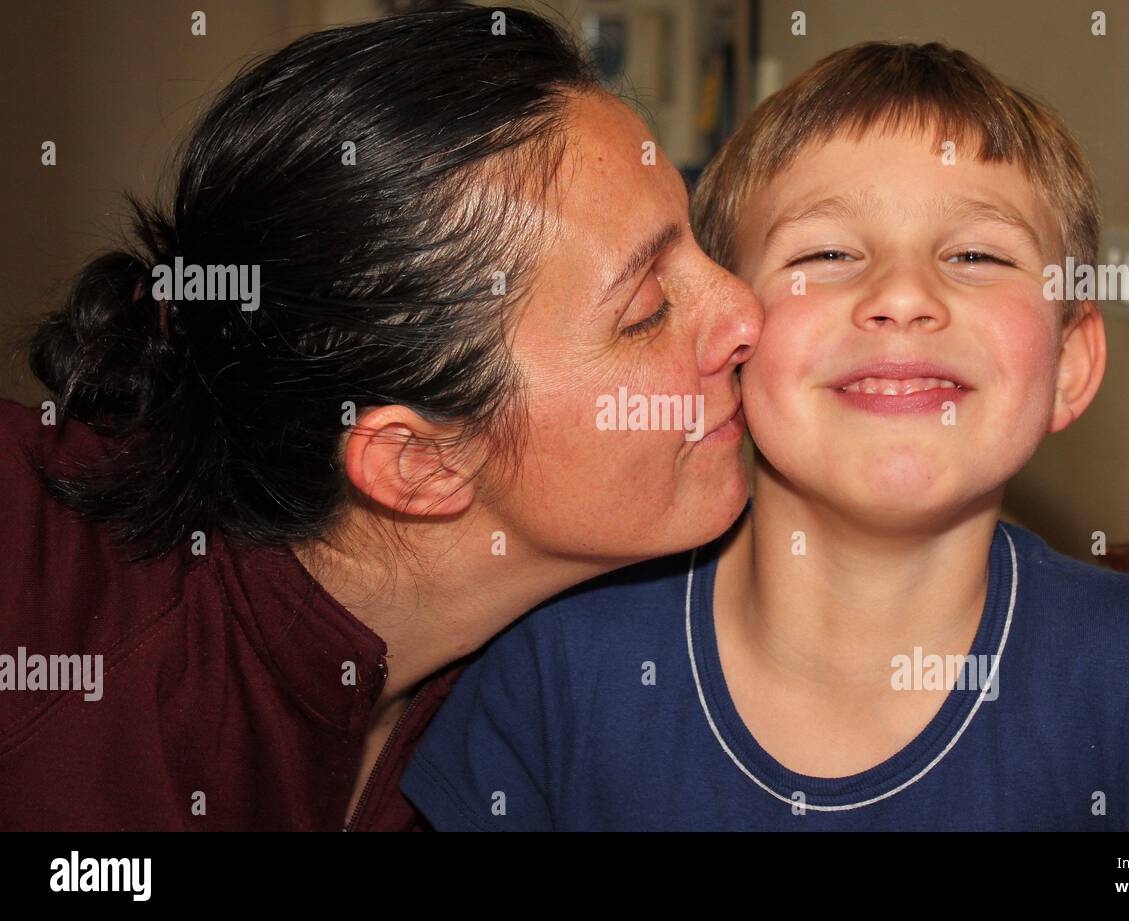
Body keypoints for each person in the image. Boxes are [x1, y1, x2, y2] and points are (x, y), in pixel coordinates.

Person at [401, 41, 1129, 831]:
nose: (904, 294)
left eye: (977, 255)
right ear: (732, 333)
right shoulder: (556, 667)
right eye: (825, 254)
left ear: (1069, 363)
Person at [0, 5, 761, 830]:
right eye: (648, 307)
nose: (744, 310)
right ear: (419, 462)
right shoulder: (37, 603)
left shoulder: (556, 687)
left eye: (697, 243)